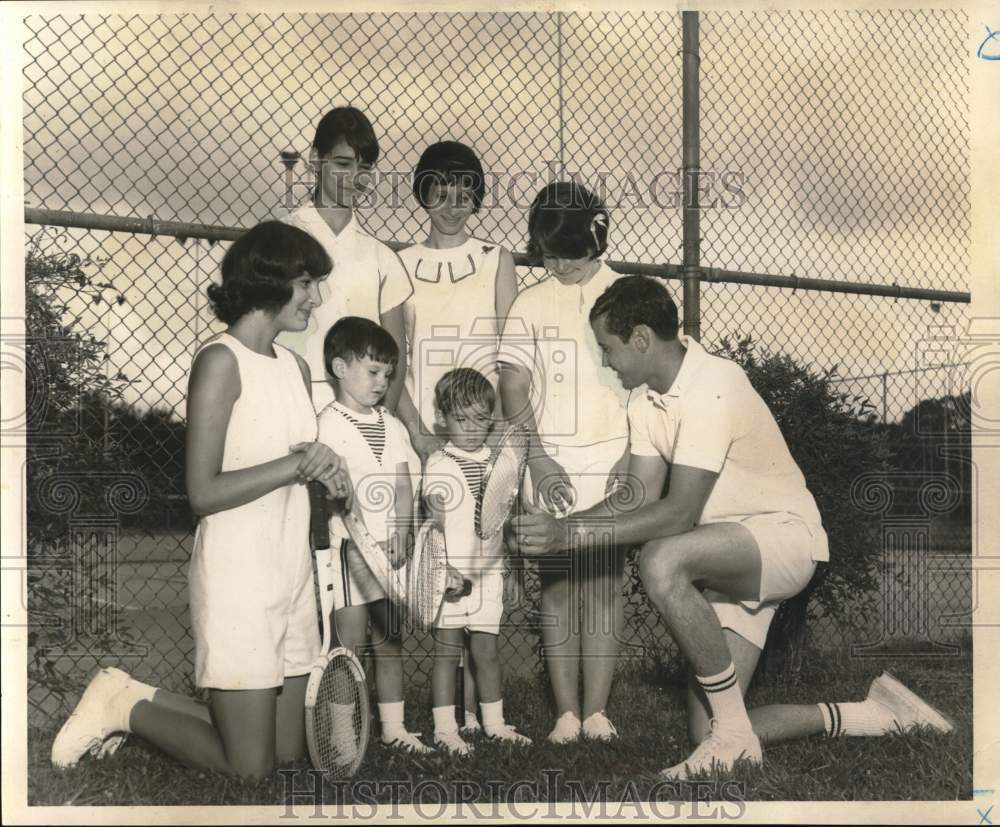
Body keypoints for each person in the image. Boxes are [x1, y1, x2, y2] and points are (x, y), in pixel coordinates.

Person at [513, 274, 955, 778]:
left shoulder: (713, 383)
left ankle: (733, 735)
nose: (606, 361)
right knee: (710, 730)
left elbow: (678, 513)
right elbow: (632, 498)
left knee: (662, 557)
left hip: (783, 539)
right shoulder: (644, 401)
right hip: (726, 553)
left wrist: (568, 536)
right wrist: (559, 526)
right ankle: (873, 714)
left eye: (607, 348)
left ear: (641, 339)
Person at [51, 221, 352, 777]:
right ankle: (123, 706)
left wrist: (327, 472)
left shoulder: (297, 367)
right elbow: (202, 491)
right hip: (239, 575)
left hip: (290, 573)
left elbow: (291, 459)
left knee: (286, 753)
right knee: (249, 770)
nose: (317, 297)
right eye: (307, 282)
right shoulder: (219, 360)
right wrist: (295, 464)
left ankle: (125, 691)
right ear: (269, 283)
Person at [498, 182, 631, 744]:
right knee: (555, 587)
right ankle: (566, 714)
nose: (556, 264)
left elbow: (643, 390)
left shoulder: (628, 293)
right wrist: (539, 457)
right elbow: (512, 382)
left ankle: (597, 714)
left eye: (567, 253)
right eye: (546, 254)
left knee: (603, 584)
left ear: (595, 238)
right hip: (547, 462)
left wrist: (631, 458)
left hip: (613, 458)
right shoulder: (530, 301)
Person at [317, 316, 432, 754]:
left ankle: (394, 729)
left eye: (388, 373)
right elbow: (338, 493)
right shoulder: (327, 424)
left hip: (392, 553)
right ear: (340, 368)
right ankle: (343, 740)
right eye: (373, 371)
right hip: (352, 551)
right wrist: (364, 542)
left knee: (390, 640)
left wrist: (402, 533)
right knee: (349, 646)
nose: (383, 381)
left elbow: (404, 485)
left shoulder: (394, 425)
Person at [422, 368, 533, 755]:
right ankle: (444, 730)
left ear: (491, 416)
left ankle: (495, 725)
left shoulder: (500, 461)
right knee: (446, 652)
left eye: (480, 419)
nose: (471, 428)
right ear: (442, 418)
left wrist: (514, 572)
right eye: (460, 419)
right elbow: (434, 522)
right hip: (449, 576)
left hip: (489, 576)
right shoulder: (438, 463)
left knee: (486, 651)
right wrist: (441, 569)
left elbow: (507, 517)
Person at [280, 106, 413, 414]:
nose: (354, 177)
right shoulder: (281, 236)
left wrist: (382, 421)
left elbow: (396, 357)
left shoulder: (382, 257)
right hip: (291, 401)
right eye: (343, 163)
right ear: (316, 160)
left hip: (361, 411)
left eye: (364, 167)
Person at [396, 140, 518, 462]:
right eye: (441, 195)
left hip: (484, 427)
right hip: (423, 427)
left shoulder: (497, 259)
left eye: (463, 197)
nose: (452, 208)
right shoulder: (399, 263)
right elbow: (393, 359)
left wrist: (498, 428)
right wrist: (418, 433)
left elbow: (513, 357)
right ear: (424, 194)